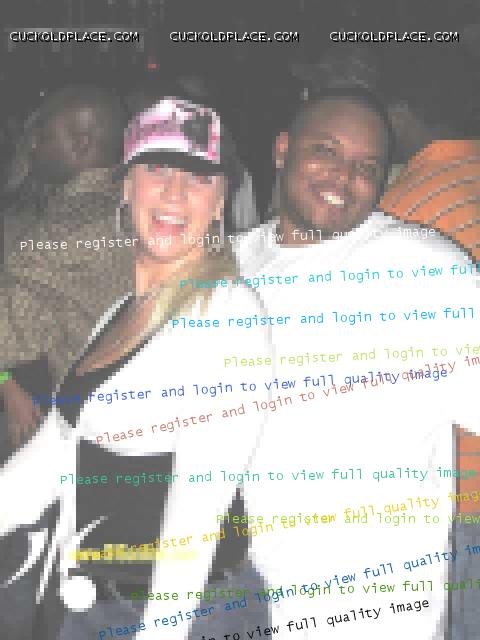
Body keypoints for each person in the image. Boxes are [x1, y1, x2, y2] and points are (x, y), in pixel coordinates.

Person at [0, 96, 272, 640]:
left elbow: (198, 508)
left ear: (220, 202)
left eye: (199, 177)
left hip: (187, 613)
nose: (175, 192)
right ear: (125, 186)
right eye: (157, 169)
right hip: (97, 604)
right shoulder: (119, 314)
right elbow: (50, 458)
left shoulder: (226, 313)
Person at [234, 88, 479, 638]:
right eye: (325, 151)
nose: (343, 177)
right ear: (282, 149)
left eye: (366, 167)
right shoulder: (230, 263)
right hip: (245, 594)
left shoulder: (422, 268)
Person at [0, 86, 133, 452]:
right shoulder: (137, 203)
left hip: (90, 430)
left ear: (81, 143)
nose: (31, 146)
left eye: (43, 136)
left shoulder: (64, 230)